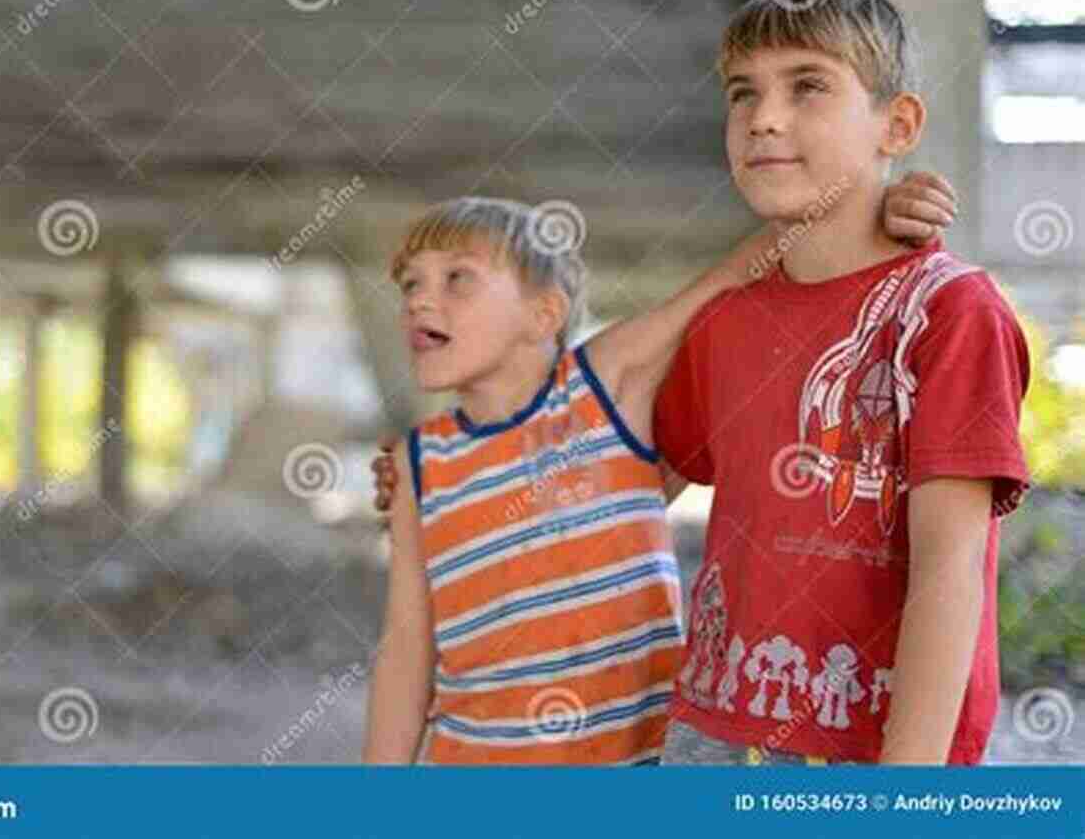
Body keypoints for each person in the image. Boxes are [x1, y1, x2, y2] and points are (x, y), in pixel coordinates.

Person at [363, 174, 956, 763]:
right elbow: (406, 648)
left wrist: (871, 205)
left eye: (456, 278)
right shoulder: (417, 465)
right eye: (410, 284)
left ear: (543, 315)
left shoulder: (604, 387)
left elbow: (731, 275)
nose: (419, 298)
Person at [651, 0, 1031, 765]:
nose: (764, 117)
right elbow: (624, 490)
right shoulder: (723, 322)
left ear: (898, 125)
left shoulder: (952, 313)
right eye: (742, 93)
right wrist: (441, 474)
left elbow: (949, 569)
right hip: (706, 743)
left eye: (809, 86)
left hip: (874, 756)